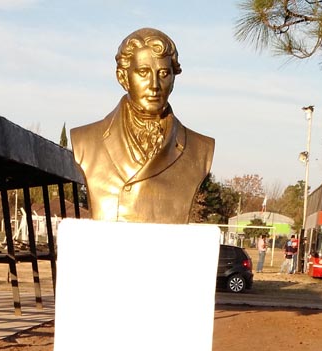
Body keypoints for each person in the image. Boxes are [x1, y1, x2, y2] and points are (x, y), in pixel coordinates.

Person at [71, 28, 215, 224]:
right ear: (123, 77)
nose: (154, 84)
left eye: (163, 73)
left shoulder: (200, 149)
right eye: (143, 72)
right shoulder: (86, 140)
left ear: (173, 79)